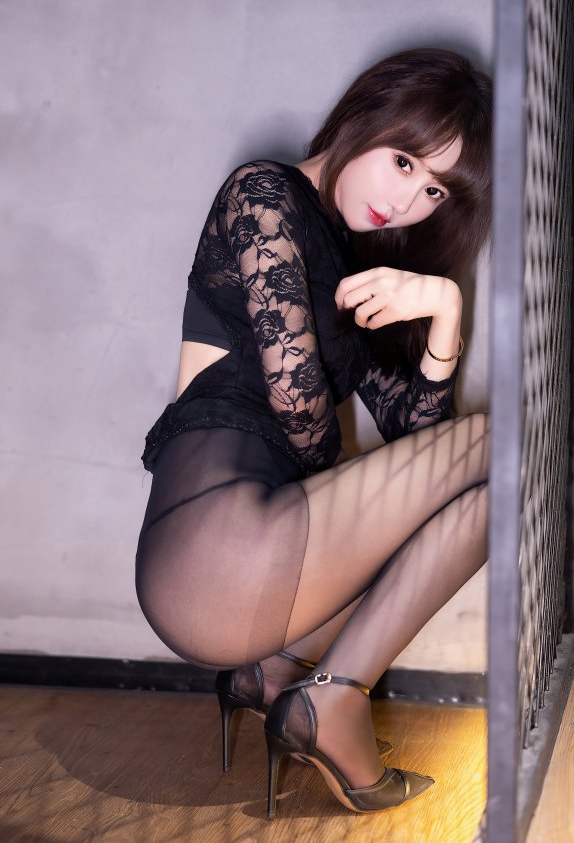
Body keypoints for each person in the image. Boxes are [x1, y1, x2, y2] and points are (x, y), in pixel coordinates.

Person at [136, 47, 492, 817]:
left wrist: (444, 314)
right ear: (366, 115)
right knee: (498, 446)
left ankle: (276, 674)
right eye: (404, 163)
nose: (408, 202)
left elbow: (419, 438)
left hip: (255, 570)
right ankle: (333, 696)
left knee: (484, 491)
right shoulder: (263, 193)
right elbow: (297, 399)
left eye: (434, 190)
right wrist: (368, 502)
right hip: (209, 551)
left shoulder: (354, 266)